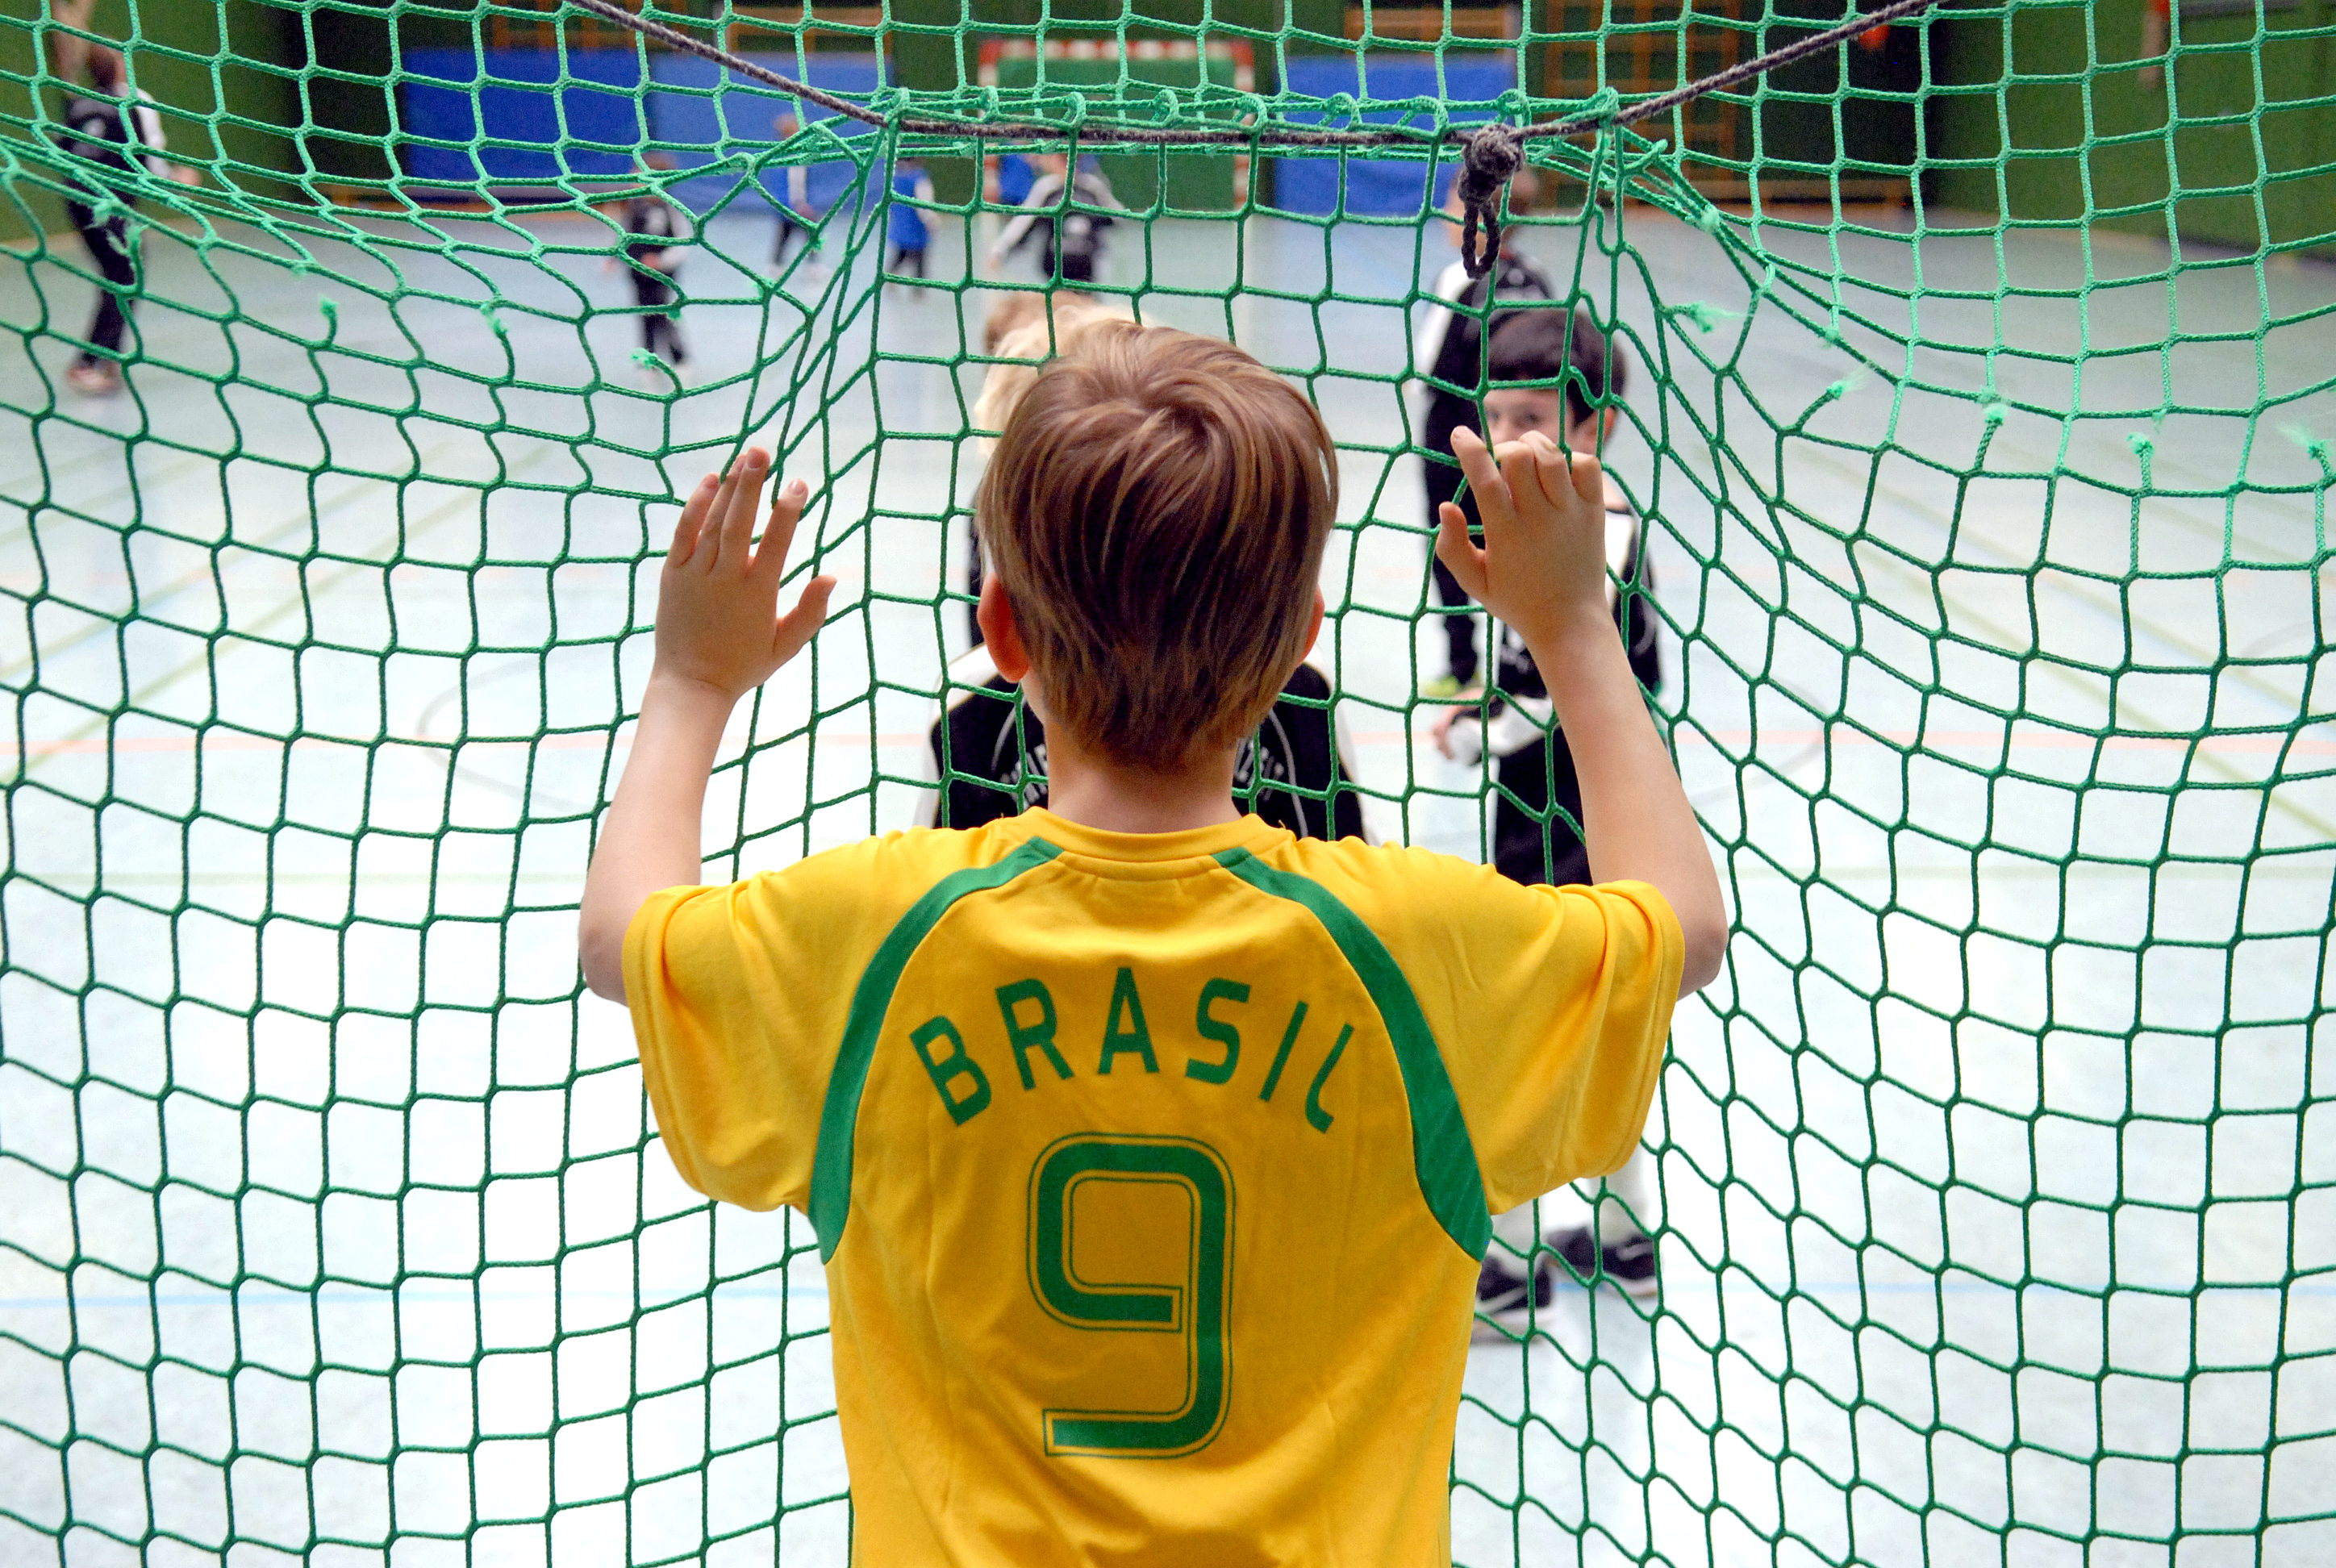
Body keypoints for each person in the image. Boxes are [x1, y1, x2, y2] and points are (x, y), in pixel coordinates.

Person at [577, 323, 1725, 1562]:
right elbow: (1683, 924)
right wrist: (1576, 628)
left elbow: (624, 938)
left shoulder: (877, 937)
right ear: (1300, 649)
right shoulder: (1412, 946)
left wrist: (692, 679)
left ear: (1002, 633)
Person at [1428, 305, 1669, 1316]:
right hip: (1555, 808)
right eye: (1497, 418)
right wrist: (1483, 707)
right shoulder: (1551, 523)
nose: (1509, 439)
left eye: (1532, 416)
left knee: (1525, 1034)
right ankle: (1620, 1237)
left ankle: (1510, 1263)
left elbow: (1568, 681)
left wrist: (1489, 731)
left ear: (1592, 425)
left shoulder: (1597, 536)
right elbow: (1526, 666)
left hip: (1570, 822)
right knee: (1596, 1032)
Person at [1414, 169, 1554, 695]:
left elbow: (1427, 364)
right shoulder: (1537, 276)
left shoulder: (1459, 280)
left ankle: (1461, 664)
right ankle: (1518, 667)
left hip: (1452, 440)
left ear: (1477, 214)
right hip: (1519, 442)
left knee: (1450, 544)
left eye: (1454, 200)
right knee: (1516, 547)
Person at [44, 2, 198, 396]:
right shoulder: (134, 101)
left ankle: (105, 358)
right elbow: (149, 162)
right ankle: (90, 362)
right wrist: (179, 181)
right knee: (126, 274)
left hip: (78, 202)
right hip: (109, 203)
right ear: (121, 64)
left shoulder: (79, 102)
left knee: (121, 274)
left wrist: (69, 20)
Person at [988, 152, 1120, 284]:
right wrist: (1000, 250)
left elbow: (1117, 217)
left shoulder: (1091, 187)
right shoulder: (1047, 189)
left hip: (1087, 273)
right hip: (1054, 274)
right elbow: (1022, 223)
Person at [620, 155, 688, 374]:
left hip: (664, 275)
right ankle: (647, 358)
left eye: (638, 174)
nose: (632, 178)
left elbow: (683, 243)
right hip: (638, 273)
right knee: (644, 314)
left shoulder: (672, 208)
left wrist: (661, 261)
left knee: (664, 314)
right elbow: (625, 237)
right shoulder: (634, 205)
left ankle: (680, 358)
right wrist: (615, 258)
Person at [770, 112, 820, 271]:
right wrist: (801, 204)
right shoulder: (795, 157)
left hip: (784, 204)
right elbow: (795, 182)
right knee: (809, 233)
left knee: (785, 234)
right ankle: (813, 267)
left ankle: (775, 266)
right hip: (794, 205)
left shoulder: (781, 153)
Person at [886, 156, 933, 282]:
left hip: (901, 222)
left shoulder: (895, 176)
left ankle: (891, 276)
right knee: (919, 255)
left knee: (902, 252)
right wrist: (930, 219)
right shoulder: (919, 177)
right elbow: (924, 203)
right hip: (915, 224)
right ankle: (919, 286)